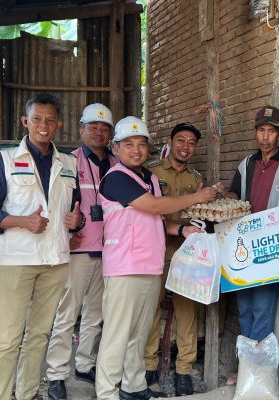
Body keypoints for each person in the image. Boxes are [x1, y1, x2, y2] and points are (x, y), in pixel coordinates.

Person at [94, 116, 217, 400]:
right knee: (117, 336)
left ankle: (134, 386)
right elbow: (154, 205)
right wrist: (199, 197)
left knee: (139, 333)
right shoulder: (116, 178)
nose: (136, 150)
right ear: (116, 148)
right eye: (128, 144)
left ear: (148, 147)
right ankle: (107, 393)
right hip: (124, 267)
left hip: (151, 265)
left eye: (141, 144)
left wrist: (182, 229)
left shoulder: (148, 177)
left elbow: (159, 219)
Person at [0, 93, 83, 400]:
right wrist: (23, 221)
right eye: (37, 119)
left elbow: (74, 213)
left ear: (59, 124)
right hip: (18, 261)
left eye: (50, 120)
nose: (43, 125)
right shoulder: (6, 158)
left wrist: (75, 222)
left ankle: (26, 394)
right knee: (9, 338)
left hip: (56, 260)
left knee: (39, 334)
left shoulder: (69, 162)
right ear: (25, 121)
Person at [45, 103, 117, 400]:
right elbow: (57, 207)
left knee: (96, 314)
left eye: (105, 128)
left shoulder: (118, 162)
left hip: (112, 251)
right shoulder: (67, 162)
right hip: (78, 250)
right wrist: (66, 233)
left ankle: (85, 364)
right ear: (81, 130)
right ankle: (56, 374)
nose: (99, 132)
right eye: (93, 127)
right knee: (66, 314)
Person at [227, 105, 279, 344]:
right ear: (255, 132)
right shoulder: (246, 165)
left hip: (271, 249)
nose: (265, 137)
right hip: (243, 247)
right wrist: (225, 200)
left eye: (271, 131)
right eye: (261, 130)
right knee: (244, 307)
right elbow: (234, 194)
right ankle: (246, 367)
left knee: (263, 308)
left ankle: (258, 373)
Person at [143, 122, 205, 396]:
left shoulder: (196, 178)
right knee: (150, 309)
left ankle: (183, 370)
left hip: (186, 255)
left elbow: (200, 213)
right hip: (155, 250)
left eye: (191, 143)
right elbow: (148, 212)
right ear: (171, 141)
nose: (186, 147)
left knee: (186, 311)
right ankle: (148, 365)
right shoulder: (151, 171)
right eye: (181, 140)